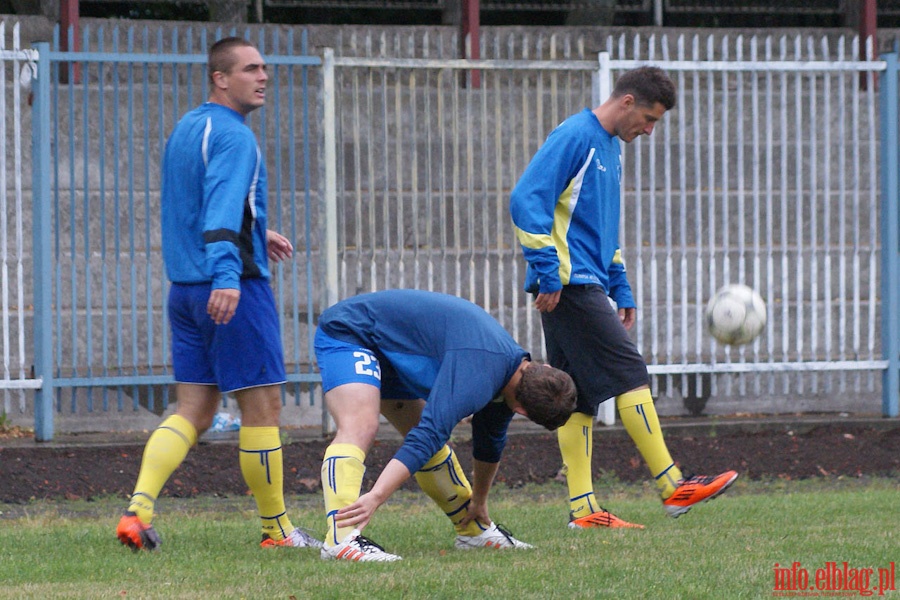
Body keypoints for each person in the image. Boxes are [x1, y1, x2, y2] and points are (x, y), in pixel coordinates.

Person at [509, 66, 738, 530]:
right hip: (570, 286)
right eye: (649, 119)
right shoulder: (575, 135)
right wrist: (548, 272)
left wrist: (620, 282)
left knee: (578, 396)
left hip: (587, 282)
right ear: (627, 101)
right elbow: (525, 198)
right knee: (629, 371)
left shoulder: (611, 148)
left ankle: (583, 511)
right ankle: (673, 486)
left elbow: (600, 226)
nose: (649, 131)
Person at [116, 37, 321, 552]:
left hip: (184, 290)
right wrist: (229, 273)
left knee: (194, 409)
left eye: (265, 67)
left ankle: (137, 511)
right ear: (220, 79)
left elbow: (198, 204)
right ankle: (277, 530)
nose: (263, 76)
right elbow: (220, 208)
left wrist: (256, 234)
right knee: (265, 407)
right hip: (229, 291)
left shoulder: (187, 127)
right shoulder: (235, 138)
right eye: (250, 69)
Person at [314, 289, 577, 561]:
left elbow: (489, 444)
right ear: (522, 410)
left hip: (391, 347)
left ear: (543, 367)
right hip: (351, 330)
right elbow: (425, 436)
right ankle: (340, 540)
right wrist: (376, 497)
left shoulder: (515, 373)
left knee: (431, 443)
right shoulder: (478, 375)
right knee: (361, 426)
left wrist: (479, 502)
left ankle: (474, 531)